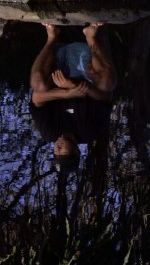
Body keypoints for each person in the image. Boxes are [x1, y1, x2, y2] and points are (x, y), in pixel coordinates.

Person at [29, 22, 117, 172]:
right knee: (108, 83)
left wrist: (67, 93)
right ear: (76, 151)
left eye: (55, 153)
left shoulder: (48, 132)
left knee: (38, 84)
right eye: (63, 153)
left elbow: (37, 98)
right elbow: (105, 97)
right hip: (87, 69)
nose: (58, 149)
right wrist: (77, 88)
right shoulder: (90, 131)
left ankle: (51, 37)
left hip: (57, 68)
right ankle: (90, 35)